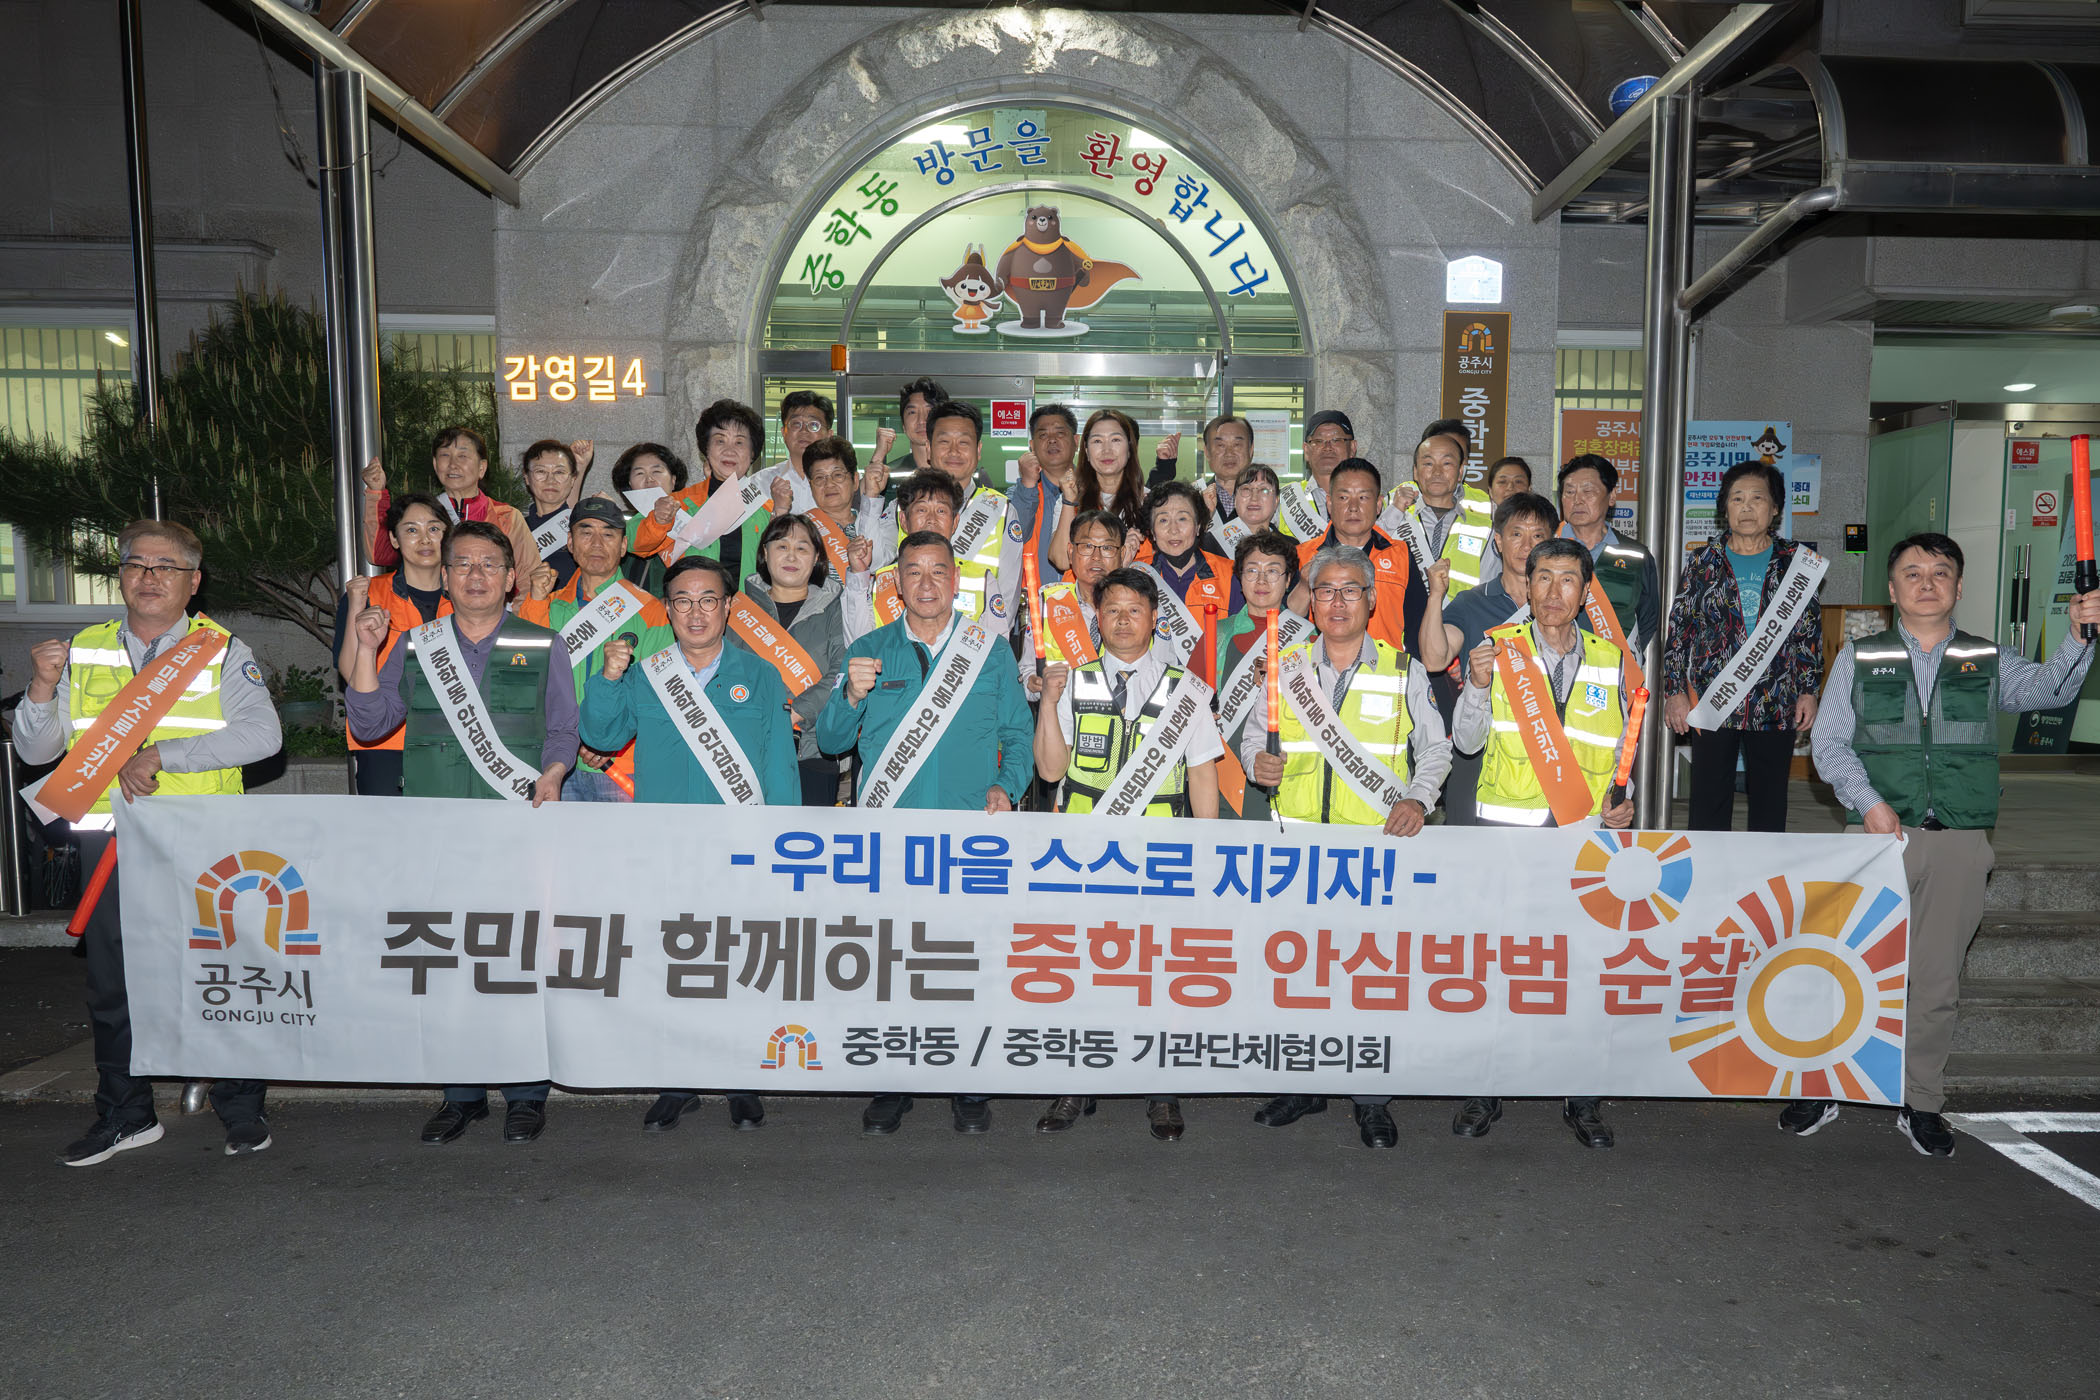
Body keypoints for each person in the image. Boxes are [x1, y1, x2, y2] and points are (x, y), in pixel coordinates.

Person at [1795, 533, 2099, 1157]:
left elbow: (2049, 692)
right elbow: (1829, 744)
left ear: (1959, 587)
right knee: (1844, 969)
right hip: (1876, 839)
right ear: (1892, 589)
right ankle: (1825, 1085)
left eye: (1940, 572)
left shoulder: (1987, 657)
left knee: (1935, 982)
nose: (1926, 582)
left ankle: (1922, 1101)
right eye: (1912, 573)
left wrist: (2079, 635)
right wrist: (1869, 802)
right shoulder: (1860, 657)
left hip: (1958, 841)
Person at [18, 520, 283, 1166]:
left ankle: (241, 1106)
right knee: (114, 986)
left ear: (194, 582)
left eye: (166, 567)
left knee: (221, 975)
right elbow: (37, 750)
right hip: (112, 842)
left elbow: (263, 735)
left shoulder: (220, 649)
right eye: (137, 565)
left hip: (204, 842)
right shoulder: (85, 648)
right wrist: (42, 689)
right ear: (121, 576)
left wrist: (167, 754)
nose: (149, 577)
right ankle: (126, 1114)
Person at [345, 520, 577, 1146]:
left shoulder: (542, 642)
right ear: (444, 577)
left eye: (489, 565)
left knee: (518, 959)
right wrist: (365, 649)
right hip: (437, 831)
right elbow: (370, 723)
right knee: (448, 961)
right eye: (463, 564)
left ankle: (526, 1093)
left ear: (510, 578)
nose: (476, 575)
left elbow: (562, 729)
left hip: (517, 827)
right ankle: (461, 1094)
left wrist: (555, 773)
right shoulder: (416, 645)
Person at [816, 532, 1033, 1136]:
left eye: (939, 570)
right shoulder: (869, 649)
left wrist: (1007, 785)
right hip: (890, 840)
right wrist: (851, 694)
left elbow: (1017, 734)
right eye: (914, 571)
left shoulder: (988, 651)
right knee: (893, 962)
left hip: (969, 839)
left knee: (966, 961)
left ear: (956, 580)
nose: (927, 583)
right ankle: (893, 1081)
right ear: (897, 582)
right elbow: (831, 741)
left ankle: (969, 1082)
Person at [1240, 546, 1453, 1149]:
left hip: (1372, 854)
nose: (1337, 602)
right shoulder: (1284, 668)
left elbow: (1436, 749)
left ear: (1371, 599)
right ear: (1310, 601)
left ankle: (1371, 1098)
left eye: (1349, 590)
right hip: (1298, 852)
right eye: (1326, 591)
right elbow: (1256, 736)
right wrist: (1257, 762)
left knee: (1367, 977)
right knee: (1298, 972)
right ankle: (1301, 1084)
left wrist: (1418, 799)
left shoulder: (1404, 669)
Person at [582, 554, 800, 1134]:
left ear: (728, 607)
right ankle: (677, 1080)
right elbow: (601, 734)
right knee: (675, 962)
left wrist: (781, 844)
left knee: (741, 961)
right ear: (667, 609)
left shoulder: (760, 675)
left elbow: (779, 765)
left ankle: (741, 1079)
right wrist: (607, 678)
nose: (696, 612)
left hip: (741, 844)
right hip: (668, 849)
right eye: (682, 601)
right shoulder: (647, 674)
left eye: (708, 600)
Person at [1448, 536, 1635, 1151]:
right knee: (1501, 964)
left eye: (1568, 580)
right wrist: (1477, 687)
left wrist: (1624, 799)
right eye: (1543, 578)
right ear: (1526, 587)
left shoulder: (1613, 659)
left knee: (1582, 967)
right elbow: (1467, 742)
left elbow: (1622, 749)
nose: (1554, 592)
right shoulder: (1497, 650)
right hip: (1510, 839)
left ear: (1585, 593)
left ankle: (1581, 1094)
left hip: (1584, 842)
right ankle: (1486, 1086)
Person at [1031, 566, 1223, 1142]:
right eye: (1111, 609)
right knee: (1083, 969)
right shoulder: (1074, 680)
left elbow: (1202, 776)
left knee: (1156, 972)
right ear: (1097, 617)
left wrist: (1207, 855)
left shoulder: (1186, 690)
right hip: (1084, 857)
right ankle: (1076, 1081)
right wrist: (1048, 704)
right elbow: (1050, 771)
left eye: (1134, 610)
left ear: (1154, 618)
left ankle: (1162, 1090)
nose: (1122, 620)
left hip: (1160, 856)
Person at [1663, 459, 1824, 832]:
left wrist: (1809, 690)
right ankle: (1707, 865)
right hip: (1713, 698)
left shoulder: (1797, 564)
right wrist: (1674, 691)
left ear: (1775, 508)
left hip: (1776, 697)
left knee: (1770, 800)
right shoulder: (1703, 562)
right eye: (1737, 498)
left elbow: (1809, 634)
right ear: (1725, 507)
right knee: (1708, 800)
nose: (1747, 507)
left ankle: (1764, 868)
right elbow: (1679, 630)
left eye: (1757, 498)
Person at [516, 496, 676, 803]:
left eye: (608, 534)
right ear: (570, 543)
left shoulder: (649, 609)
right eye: (586, 532)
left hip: (621, 765)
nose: (597, 543)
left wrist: (613, 740)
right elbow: (524, 676)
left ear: (623, 545)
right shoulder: (547, 604)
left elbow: (660, 691)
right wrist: (534, 602)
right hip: (556, 765)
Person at [1417, 492, 1559, 824]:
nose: (1526, 545)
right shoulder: (1472, 601)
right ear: (1497, 541)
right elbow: (1435, 659)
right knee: (1468, 842)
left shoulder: (1563, 605)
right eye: (1516, 534)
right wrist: (1436, 596)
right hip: (1479, 744)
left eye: (1537, 536)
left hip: (1546, 748)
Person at [334, 492, 451, 796]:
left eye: (434, 528)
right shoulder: (369, 593)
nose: (424, 539)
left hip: (454, 742)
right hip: (386, 741)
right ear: (394, 539)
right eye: (411, 529)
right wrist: (356, 606)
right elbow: (349, 672)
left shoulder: (467, 597)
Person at [737, 512, 848, 806]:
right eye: (782, 546)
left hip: (812, 750)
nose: (791, 555)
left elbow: (842, 670)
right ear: (765, 553)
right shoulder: (737, 610)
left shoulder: (836, 608)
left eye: (802, 548)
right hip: (745, 748)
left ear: (816, 558)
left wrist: (796, 713)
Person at [1211, 530, 1303, 822]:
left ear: (1288, 580)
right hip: (1222, 775)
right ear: (1239, 578)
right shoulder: (1216, 635)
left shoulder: (1309, 639)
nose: (1261, 580)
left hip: (1289, 775)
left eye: (1273, 571)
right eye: (1252, 570)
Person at [1288, 458, 1422, 656]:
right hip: (1317, 670)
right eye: (1343, 497)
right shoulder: (1303, 556)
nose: (1353, 507)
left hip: (1385, 671)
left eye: (1363, 497)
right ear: (1329, 503)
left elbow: (1418, 627)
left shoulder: (1400, 555)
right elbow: (1286, 626)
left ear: (1378, 505)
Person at [360, 427, 536, 577]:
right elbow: (380, 554)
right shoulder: (420, 514)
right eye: (445, 455)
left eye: (463, 456)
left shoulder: (506, 516)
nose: (453, 464)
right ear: (435, 465)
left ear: (482, 467)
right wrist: (376, 492)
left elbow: (527, 578)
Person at [631, 399, 772, 583]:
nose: (729, 450)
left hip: (749, 601)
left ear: (752, 453)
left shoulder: (766, 509)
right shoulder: (680, 503)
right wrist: (658, 521)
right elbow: (633, 542)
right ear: (706, 449)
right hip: (693, 600)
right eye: (720, 440)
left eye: (739, 442)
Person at [843, 469, 967, 641]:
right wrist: (857, 574)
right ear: (903, 521)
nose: (931, 519)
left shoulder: (982, 579)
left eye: (941, 511)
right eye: (922, 510)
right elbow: (858, 644)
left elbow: (995, 647)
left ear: (955, 522)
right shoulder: (881, 582)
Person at [1018, 509, 1131, 697]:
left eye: (1107, 548)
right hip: (1059, 712)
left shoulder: (1138, 605)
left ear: (1122, 553)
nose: (1096, 557)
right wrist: (1032, 683)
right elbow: (1026, 671)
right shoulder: (1049, 602)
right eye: (1087, 546)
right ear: (1070, 552)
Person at [1557, 453, 1660, 654]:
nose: (1577, 500)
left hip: (1613, 664)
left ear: (1611, 496)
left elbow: (1648, 618)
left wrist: (1623, 657)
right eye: (1569, 492)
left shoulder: (1636, 555)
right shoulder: (1546, 549)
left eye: (1588, 491)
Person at [1140, 480, 1240, 682]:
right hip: (1149, 687)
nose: (1173, 529)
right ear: (1152, 531)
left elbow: (1239, 642)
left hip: (1211, 687)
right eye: (1163, 520)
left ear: (1198, 526)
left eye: (1182, 519)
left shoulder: (1229, 574)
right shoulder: (1137, 574)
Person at [1384, 430, 1497, 592]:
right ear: (1415, 471)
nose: (1437, 472)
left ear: (1460, 472)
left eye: (1447, 463)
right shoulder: (1394, 511)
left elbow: (1491, 584)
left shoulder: (1485, 522)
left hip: (1461, 608)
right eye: (1428, 464)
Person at [1049, 408, 1149, 570]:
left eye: (1115, 440)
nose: (1106, 450)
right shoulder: (1071, 499)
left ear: (1130, 448)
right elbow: (1061, 561)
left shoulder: (1148, 501)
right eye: (1097, 441)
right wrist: (1069, 502)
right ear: (1086, 451)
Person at [609, 442, 691, 592]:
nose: (649, 480)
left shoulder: (694, 514)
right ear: (630, 484)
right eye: (640, 473)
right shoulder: (623, 524)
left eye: (657, 471)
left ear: (673, 480)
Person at [520, 438, 590, 590]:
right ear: (527, 478)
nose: (550, 480)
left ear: (573, 479)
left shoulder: (585, 528)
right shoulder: (515, 528)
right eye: (541, 471)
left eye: (559, 472)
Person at [755, 389, 834, 513]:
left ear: (829, 435)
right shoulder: (759, 484)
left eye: (813, 425)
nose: (804, 431)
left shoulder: (841, 485)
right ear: (783, 433)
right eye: (796, 424)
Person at [873, 376, 946, 486]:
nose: (922, 420)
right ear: (903, 425)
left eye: (930, 411)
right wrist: (878, 457)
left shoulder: (960, 470)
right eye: (912, 412)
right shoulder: (889, 476)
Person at [1227, 464, 1285, 539]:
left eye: (1264, 490)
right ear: (1235, 499)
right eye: (1246, 489)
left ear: (1276, 501)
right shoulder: (1214, 544)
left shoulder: (1292, 545)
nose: (1254, 498)